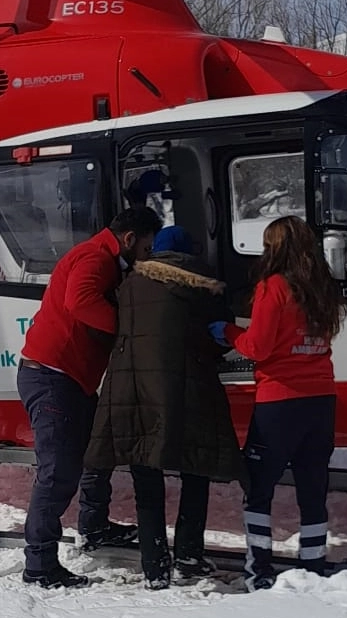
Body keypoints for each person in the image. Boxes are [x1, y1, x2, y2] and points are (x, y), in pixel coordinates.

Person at [85, 225, 243, 589]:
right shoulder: (203, 284)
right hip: (188, 389)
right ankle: (188, 556)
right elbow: (218, 337)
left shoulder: (129, 285)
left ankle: (154, 567)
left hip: (135, 390)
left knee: (146, 475)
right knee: (196, 469)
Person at [17, 205, 161, 589]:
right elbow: (80, 302)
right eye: (146, 248)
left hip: (71, 380)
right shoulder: (95, 257)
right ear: (129, 239)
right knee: (58, 474)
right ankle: (39, 565)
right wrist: (127, 329)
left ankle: (95, 526)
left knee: (97, 453)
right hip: (52, 377)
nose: (147, 256)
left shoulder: (105, 258)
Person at [211, 215, 345, 590]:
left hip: (280, 401)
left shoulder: (273, 287)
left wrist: (227, 331)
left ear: (275, 249)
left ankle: (259, 571)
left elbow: (257, 347)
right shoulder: (323, 289)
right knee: (313, 489)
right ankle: (313, 566)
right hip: (321, 400)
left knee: (258, 489)